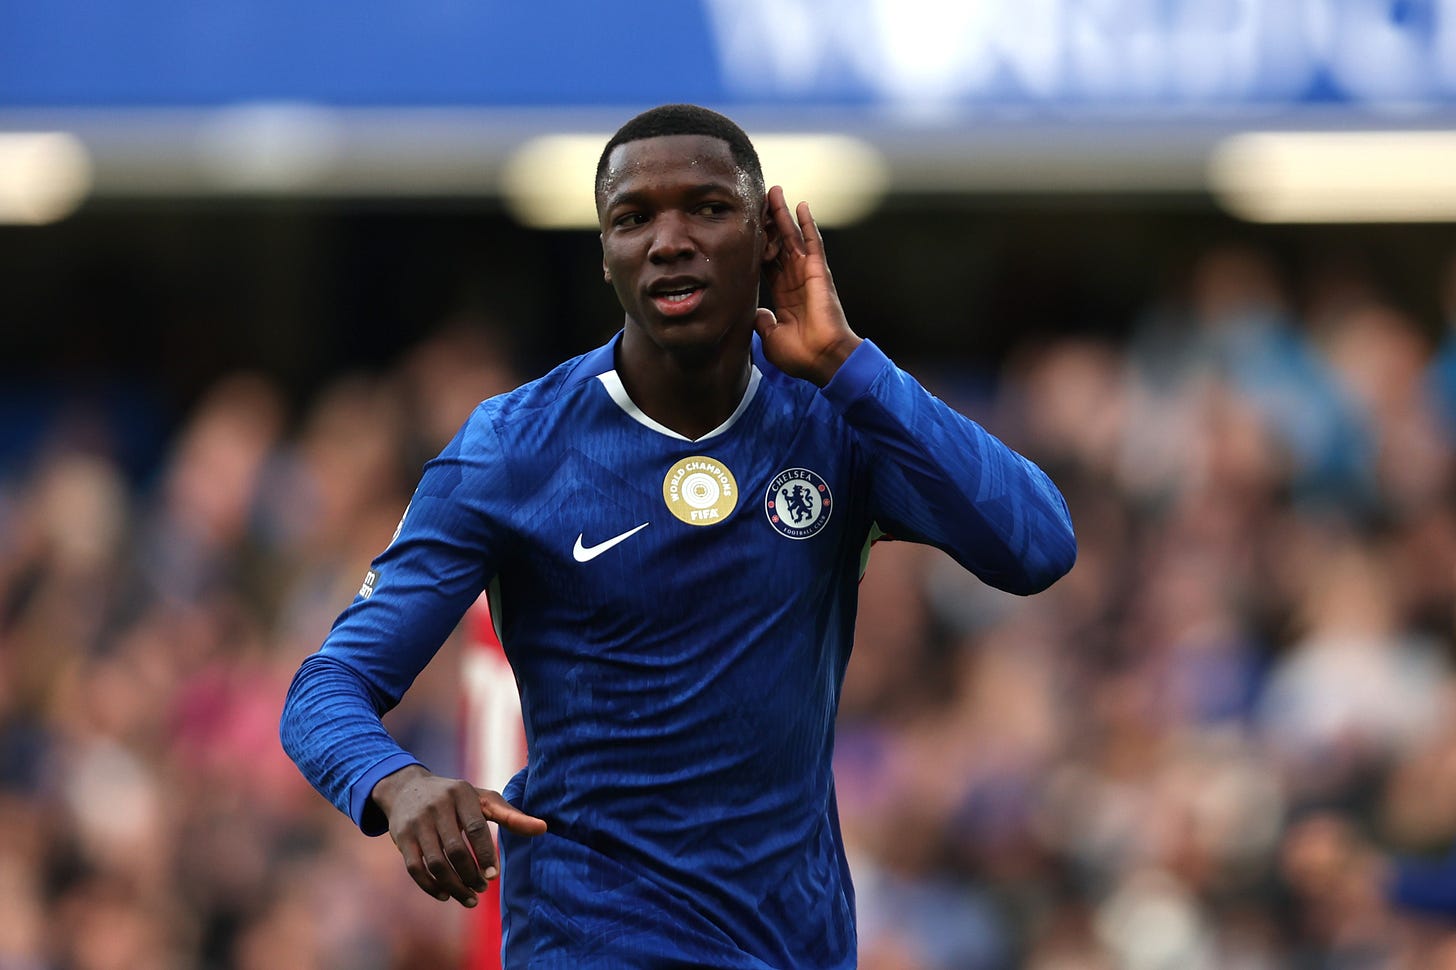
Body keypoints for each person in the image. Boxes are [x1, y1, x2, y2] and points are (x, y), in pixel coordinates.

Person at [279, 103, 1078, 968]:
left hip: (793, 945)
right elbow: (325, 688)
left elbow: (1036, 546)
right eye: (633, 218)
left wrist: (852, 363)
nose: (668, 239)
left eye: (706, 207)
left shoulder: (834, 418)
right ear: (606, 256)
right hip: (591, 940)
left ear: (769, 237)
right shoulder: (512, 449)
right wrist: (394, 783)